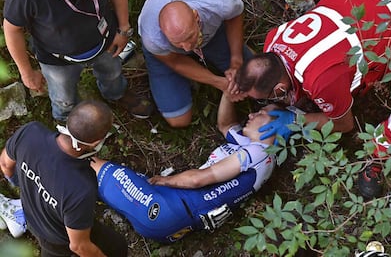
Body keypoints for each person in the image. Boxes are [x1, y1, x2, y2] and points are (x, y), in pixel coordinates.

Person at [234, 0, 391, 200]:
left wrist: (295, 119)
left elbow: (344, 124)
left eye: (267, 99)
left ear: (279, 88)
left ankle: (378, 156)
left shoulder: (320, 79)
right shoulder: (273, 40)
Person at [89, 93, 278, 243]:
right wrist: (228, 92)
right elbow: (226, 125)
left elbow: (199, 179)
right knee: (100, 182)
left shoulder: (258, 152)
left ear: (277, 127)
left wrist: (166, 180)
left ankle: (67, 151)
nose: (252, 114)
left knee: (97, 167)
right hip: (173, 223)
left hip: (168, 209)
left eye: (261, 114)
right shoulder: (254, 149)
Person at [3, 0, 152, 122]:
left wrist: (124, 28)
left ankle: (116, 94)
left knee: (112, 74)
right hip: (57, 58)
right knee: (63, 98)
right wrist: (26, 72)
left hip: (105, 40)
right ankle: (68, 121)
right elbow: (12, 29)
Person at [0, 100, 128, 257]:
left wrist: (29, 187)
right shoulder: (81, 187)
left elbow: (5, 164)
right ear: (96, 143)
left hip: (31, 218)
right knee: (117, 247)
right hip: (58, 242)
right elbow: (79, 246)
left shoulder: (30, 132)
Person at [138, 0, 253, 128]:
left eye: (189, 37)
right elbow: (176, 61)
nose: (186, 48)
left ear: (196, 16)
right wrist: (219, 83)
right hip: (170, 55)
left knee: (253, 80)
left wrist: (236, 60)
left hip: (210, 35)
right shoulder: (152, 37)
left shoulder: (220, 3)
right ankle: (188, 74)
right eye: (177, 42)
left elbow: (235, 16)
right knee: (179, 120)